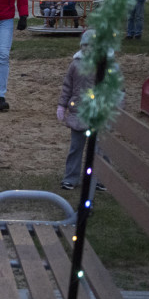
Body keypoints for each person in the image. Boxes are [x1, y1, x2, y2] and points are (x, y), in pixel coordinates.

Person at [57, 29, 107, 191]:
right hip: (78, 112)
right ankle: (71, 178)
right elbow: (67, 86)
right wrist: (62, 105)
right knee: (76, 148)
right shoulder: (76, 64)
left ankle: (100, 178)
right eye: (85, 45)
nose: (88, 48)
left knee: (100, 148)